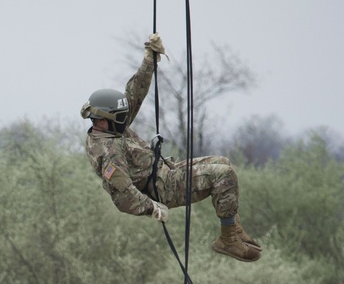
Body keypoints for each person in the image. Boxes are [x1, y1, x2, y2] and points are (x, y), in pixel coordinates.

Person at [81, 32, 261, 263]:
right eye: (121, 116)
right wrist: (151, 208)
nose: (126, 118)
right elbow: (122, 195)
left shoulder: (110, 126)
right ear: (108, 118)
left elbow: (133, 94)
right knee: (224, 175)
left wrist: (149, 59)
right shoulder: (107, 151)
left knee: (224, 163)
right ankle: (227, 239)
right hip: (164, 187)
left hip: (167, 171)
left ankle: (232, 228)